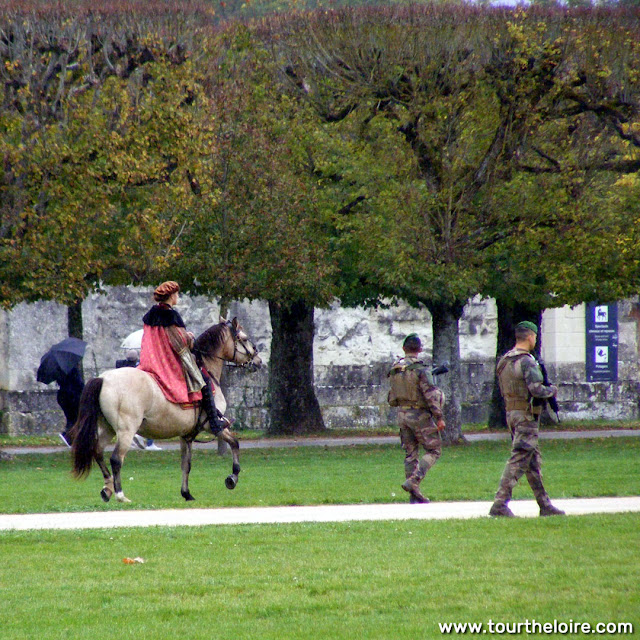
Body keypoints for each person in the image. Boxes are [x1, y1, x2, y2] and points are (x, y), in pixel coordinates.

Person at [489, 321, 565, 517]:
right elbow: (536, 389)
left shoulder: (504, 360)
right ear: (531, 336)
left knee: (532, 461)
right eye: (535, 337)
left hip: (512, 413)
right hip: (526, 415)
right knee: (519, 458)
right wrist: (553, 391)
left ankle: (544, 504)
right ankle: (499, 503)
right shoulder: (527, 361)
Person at [138, 280, 226, 434]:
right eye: (176, 294)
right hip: (168, 361)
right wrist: (190, 337)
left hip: (151, 360)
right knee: (204, 380)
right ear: (171, 296)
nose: (177, 296)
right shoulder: (170, 315)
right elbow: (180, 342)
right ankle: (214, 423)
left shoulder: (150, 315)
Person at [387, 333, 446, 504]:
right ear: (420, 349)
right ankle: (414, 481)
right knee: (434, 450)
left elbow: (391, 398)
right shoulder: (420, 369)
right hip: (419, 415)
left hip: (402, 414)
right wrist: (439, 417)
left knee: (410, 453)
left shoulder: (395, 369)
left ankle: (414, 495)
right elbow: (430, 396)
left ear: (404, 348)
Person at [115, 349, 162, 451]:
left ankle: (132, 438)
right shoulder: (138, 369)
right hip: (137, 396)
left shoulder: (121, 367)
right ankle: (148, 442)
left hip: (124, 397)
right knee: (149, 417)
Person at [58, 364, 85, 447]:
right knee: (76, 417)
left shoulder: (60, 369)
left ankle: (70, 436)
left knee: (71, 418)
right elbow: (79, 384)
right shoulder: (73, 369)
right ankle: (68, 436)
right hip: (72, 396)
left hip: (62, 396)